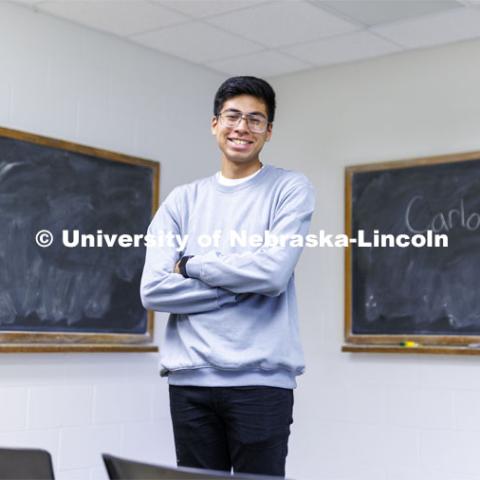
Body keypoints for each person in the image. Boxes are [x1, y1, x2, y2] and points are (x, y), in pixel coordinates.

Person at [140, 76, 315, 478]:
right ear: (214, 123)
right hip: (190, 382)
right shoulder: (182, 200)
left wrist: (191, 265)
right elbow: (153, 289)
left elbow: (272, 273)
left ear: (268, 131)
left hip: (262, 383)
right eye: (233, 116)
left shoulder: (289, 189)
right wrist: (234, 291)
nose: (242, 127)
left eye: (256, 120)